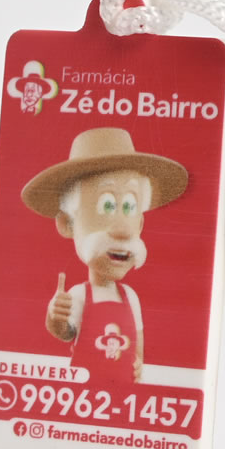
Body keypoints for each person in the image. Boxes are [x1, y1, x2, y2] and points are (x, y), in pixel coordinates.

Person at [21, 128, 188, 384]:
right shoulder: (79, 295)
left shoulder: (131, 298)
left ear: (140, 225)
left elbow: (138, 347)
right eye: (107, 205)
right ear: (67, 223)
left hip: (124, 390)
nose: (122, 230)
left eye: (129, 207)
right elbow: (65, 332)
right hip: (84, 391)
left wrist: (139, 365)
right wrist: (56, 316)